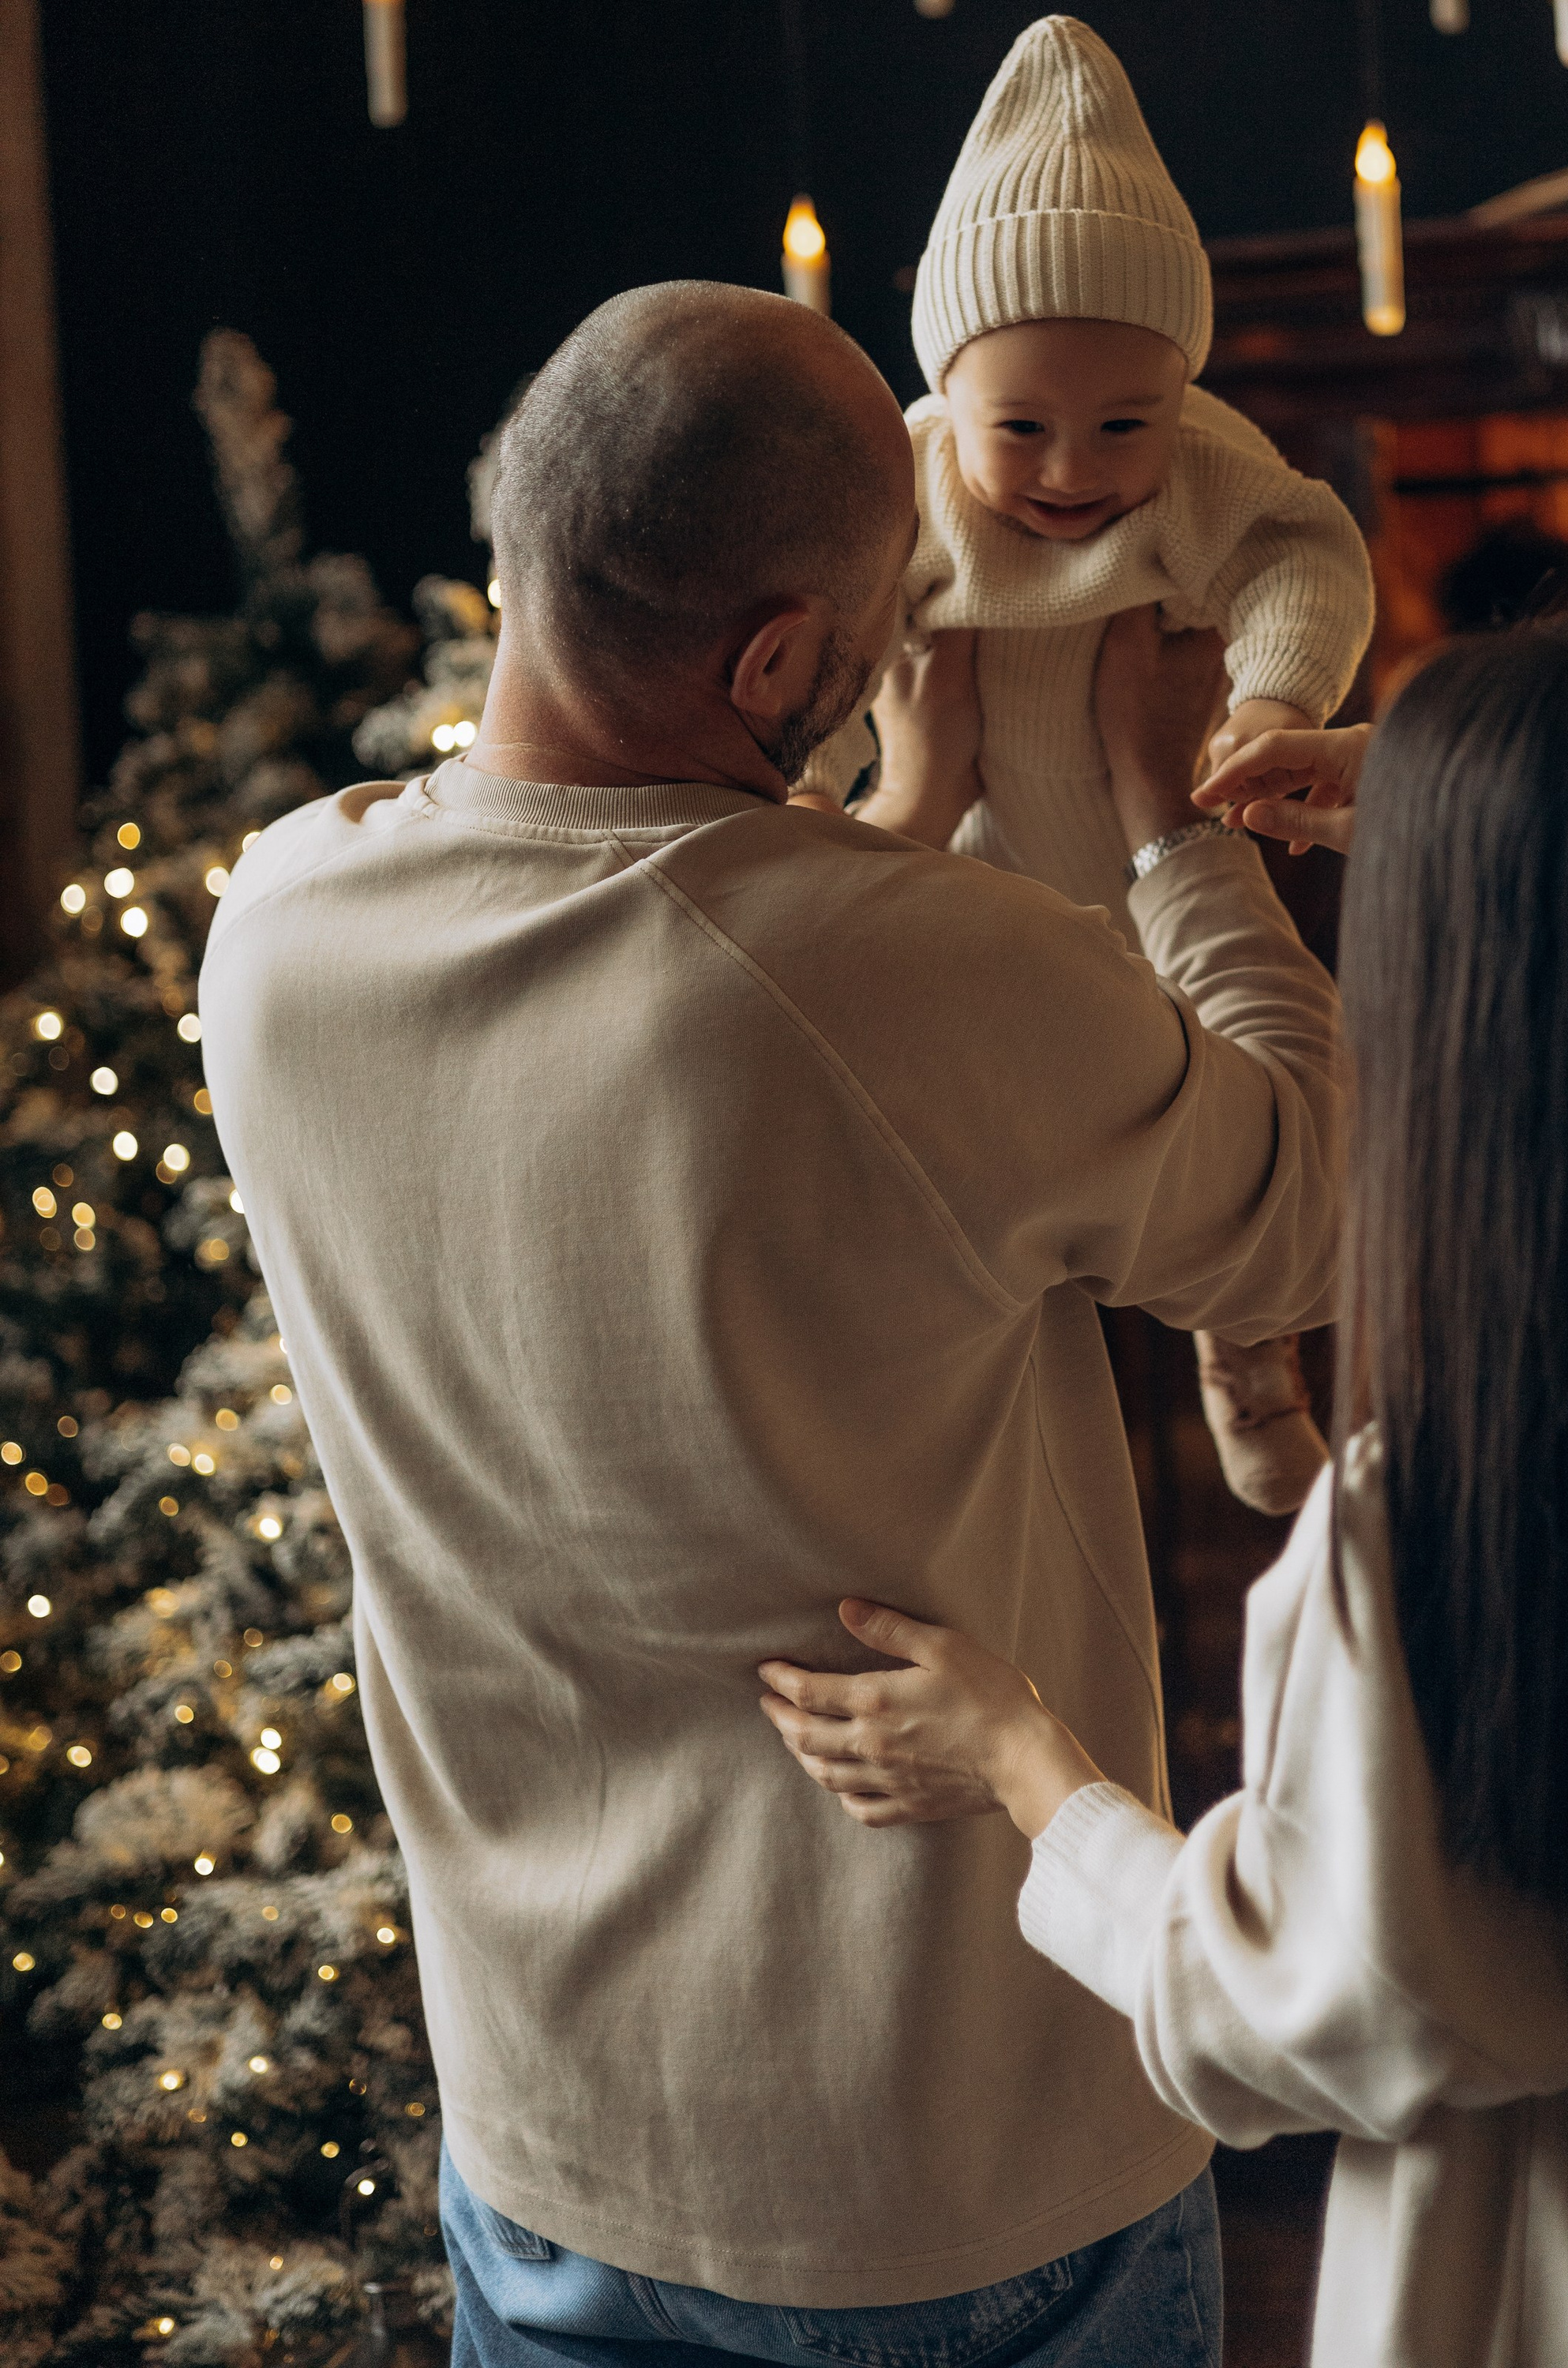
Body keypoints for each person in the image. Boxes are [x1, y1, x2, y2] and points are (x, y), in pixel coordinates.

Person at [197, 280, 1347, 2368]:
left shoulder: (275, 934)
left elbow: (671, 1010)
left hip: (546, 2149)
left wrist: (872, 812)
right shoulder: (938, 976)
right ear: (789, 660)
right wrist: (1171, 819)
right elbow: (1301, 1216)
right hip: (958, 2174)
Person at [758, 617, 1568, 2368]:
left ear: (1437, 1006)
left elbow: (1285, 2012)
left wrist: (1018, 1757)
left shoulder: (1458, 1516)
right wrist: (1501, 823)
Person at [801, 13, 1371, 1514]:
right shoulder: (906, 498)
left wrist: (1271, 696)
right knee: (965, 1137)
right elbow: (839, 655)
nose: (1075, 471)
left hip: (1164, 862)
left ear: (1181, 390)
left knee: (1247, 1113)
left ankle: (1253, 1369)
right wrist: (850, 791)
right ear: (949, 395)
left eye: (1126, 419)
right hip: (973, 888)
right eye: (1025, 428)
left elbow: (1302, 554)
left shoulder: (1198, 478)